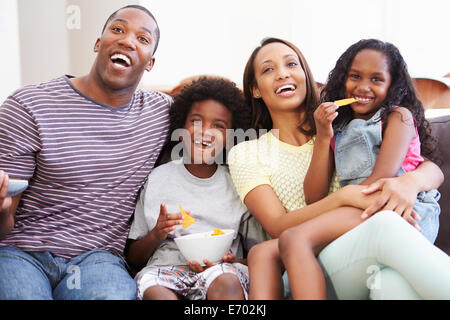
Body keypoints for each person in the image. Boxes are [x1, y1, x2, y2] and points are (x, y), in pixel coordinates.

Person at [227, 37, 449, 300]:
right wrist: (342, 194)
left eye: (291, 64)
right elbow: (280, 224)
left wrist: (410, 183)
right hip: (324, 258)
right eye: (268, 69)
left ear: (306, 75)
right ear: (254, 89)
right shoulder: (251, 151)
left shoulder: (344, 125)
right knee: (383, 225)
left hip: (376, 238)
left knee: (391, 286)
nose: (283, 73)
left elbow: (427, 167)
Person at [0, 5, 171, 299]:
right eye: (117, 30)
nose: (128, 41)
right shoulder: (29, 105)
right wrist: (1, 211)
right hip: (21, 252)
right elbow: (5, 223)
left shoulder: (160, 113)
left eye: (142, 39)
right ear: (97, 43)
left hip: (98, 259)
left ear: (150, 63)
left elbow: (213, 104)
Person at [126, 77, 251, 300]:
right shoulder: (158, 179)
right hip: (165, 269)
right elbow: (134, 257)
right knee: (157, 294)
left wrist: (235, 261)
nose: (205, 132)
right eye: (196, 121)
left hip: (221, 270)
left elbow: (259, 254)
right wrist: (157, 233)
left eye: (218, 126)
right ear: (181, 127)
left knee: (228, 283)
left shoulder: (238, 183)